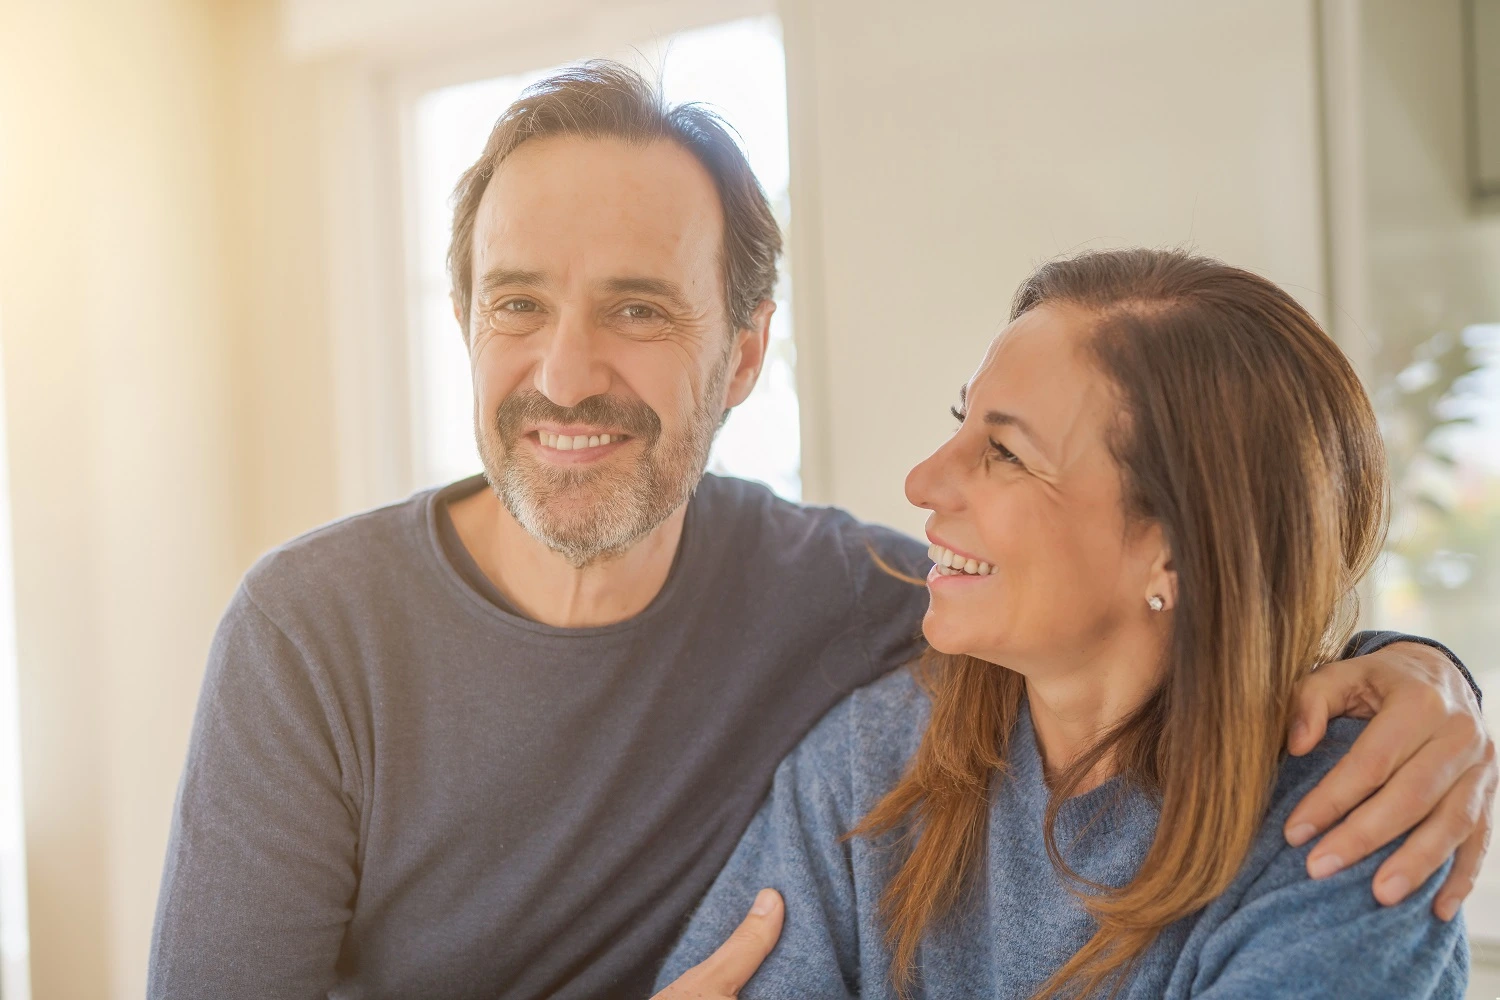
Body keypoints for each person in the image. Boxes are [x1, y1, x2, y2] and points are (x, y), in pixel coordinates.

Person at [148, 64, 1490, 1000]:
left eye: (637, 309)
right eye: (514, 306)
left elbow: (1188, 589)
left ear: (742, 359)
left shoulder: (860, 605)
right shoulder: (309, 637)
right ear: (464, 325)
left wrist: (1422, 674)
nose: (561, 374)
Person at [655, 249, 1472, 999]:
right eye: (959, 420)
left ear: (1176, 550)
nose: (923, 479)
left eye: (1006, 453)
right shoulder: (870, 765)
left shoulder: (1360, 814)